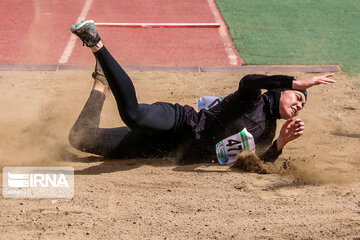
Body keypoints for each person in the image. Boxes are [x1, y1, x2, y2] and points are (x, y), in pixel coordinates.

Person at [68, 20, 336, 165]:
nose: (299, 104)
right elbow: (251, 79)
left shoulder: (267, 133)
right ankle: (97, 44)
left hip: (164, 151)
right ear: (282, 91)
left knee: (79, 140)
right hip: (178, 123)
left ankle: (100, 84)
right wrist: (296, 82)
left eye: (302, 104)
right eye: (298, 98)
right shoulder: (252, 97)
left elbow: (253, 165)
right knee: (134, 115)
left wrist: (280, 144)